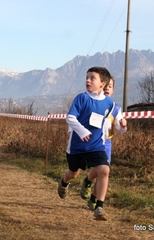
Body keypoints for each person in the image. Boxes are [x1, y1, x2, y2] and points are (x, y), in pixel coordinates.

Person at [57, 66, 114, 221]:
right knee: (73, 173)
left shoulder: (109, 103)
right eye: (87, 77)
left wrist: (121, 125)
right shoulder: (82, 98)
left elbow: (107, 121)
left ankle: (99, 207)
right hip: (77, 147)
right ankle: (64, 181)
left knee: (104, 170)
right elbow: (70, 118)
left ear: (102, 83)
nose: (87, 81)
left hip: (96, 146)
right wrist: (82, 132)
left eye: (92, 78)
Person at [83, 76, 127, 210]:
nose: (108, 88)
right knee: (100, 169)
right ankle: (88, 181)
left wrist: (123, 124)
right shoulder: (94, 103)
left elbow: (120, 129)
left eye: (111, 86)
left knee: (104, 171)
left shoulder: (115, 108)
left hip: (107, 143)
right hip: (94, 141)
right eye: (106, 85)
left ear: (113, 90)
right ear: (101, 86)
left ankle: (93, 198)